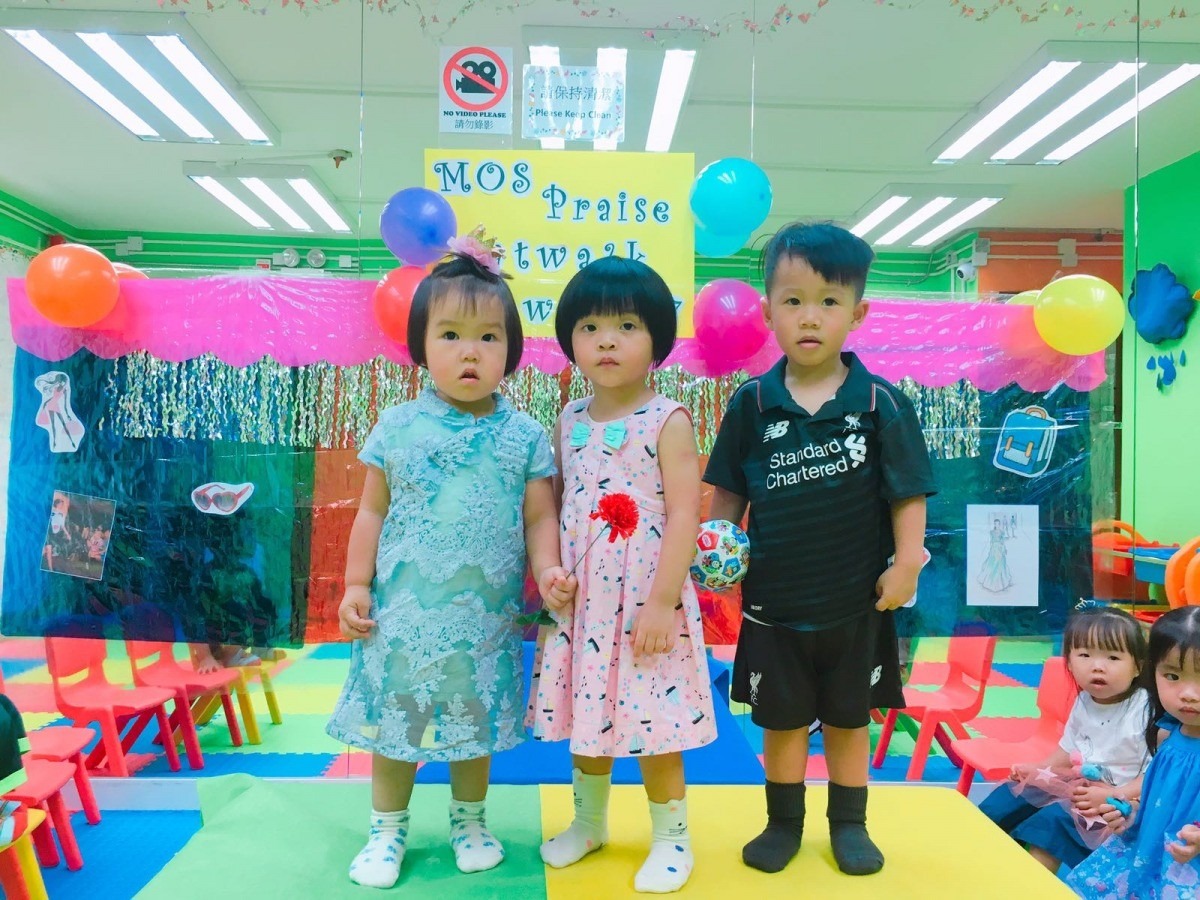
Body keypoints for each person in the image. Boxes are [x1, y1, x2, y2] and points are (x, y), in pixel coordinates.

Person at [326, 237, 572, 890]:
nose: (471, 352)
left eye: (489, 338)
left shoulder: (524, 435)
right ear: (421, 345)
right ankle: (386, 829)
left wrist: (548, 570)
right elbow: (371, 511)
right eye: (452, 335)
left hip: (484, 614)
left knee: (474, 717)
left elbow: (539, 517)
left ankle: (470, 821)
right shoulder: (397, 426)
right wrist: (355, 584)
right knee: (398, 718)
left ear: (510, 352)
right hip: (403, 612)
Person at [703, 221, 936, 876]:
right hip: (773, 606)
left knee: (847, 721)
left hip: (856, 604)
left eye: (829, 301)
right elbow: (727, 492)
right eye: (794, 300)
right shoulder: (751, 403)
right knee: (780, 723)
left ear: (857, 313)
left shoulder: (881, 404)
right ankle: (783, 823)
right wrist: (715, 555)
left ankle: (849, 824)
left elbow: (908, 494)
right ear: (769, 311)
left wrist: (907, 563)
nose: (810, 316)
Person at [528, 255, 717, 894]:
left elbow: (686, 513)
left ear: (657, 339)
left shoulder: (669, 419)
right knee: (588, 714)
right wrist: (553, 571)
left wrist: (662, 603)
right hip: (585, 604)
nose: (606, 341)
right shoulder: (569, 418)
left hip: (644, 602)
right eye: (590, 327)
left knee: (654, 720)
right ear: (570, 341)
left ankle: (672, 838)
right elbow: (560, 505)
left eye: (627, 326)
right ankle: (588, 823)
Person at [980, 607, 1152, 873]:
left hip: (1123, 798)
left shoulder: (1144, 708)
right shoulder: (1084, 700)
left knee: (1050, 825)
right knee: (1007, 800)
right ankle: (982, 865)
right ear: (1069, 662)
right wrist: (1039, 769)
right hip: (1080, 784)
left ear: (1138, 666)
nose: (1097, 666)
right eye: (1085, 655)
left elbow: (1155, 773)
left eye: (1113, 657)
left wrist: (1112, 795)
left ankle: (1031, 886)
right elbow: (1069, 748)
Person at [1069, 606, 1200, 898]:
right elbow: (1159, 800)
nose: (1188, 694)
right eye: (1172, 676)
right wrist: (1132, 814)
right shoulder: (1168, 735)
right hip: (1150, 856)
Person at [978, 517, 1015, 592]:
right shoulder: (991, 532)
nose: (996, 525)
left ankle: (1002, 582)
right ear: (994, 524)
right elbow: (991, 541)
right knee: (992, 563)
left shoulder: (1002, 532)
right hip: (993, 549)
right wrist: (990, 550)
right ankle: (991, 581)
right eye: (995, 524)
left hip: (1000, 548)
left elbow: (1002, 541)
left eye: (998, 524)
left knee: (1000, 563)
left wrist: (1004, 549)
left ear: (999, 524)